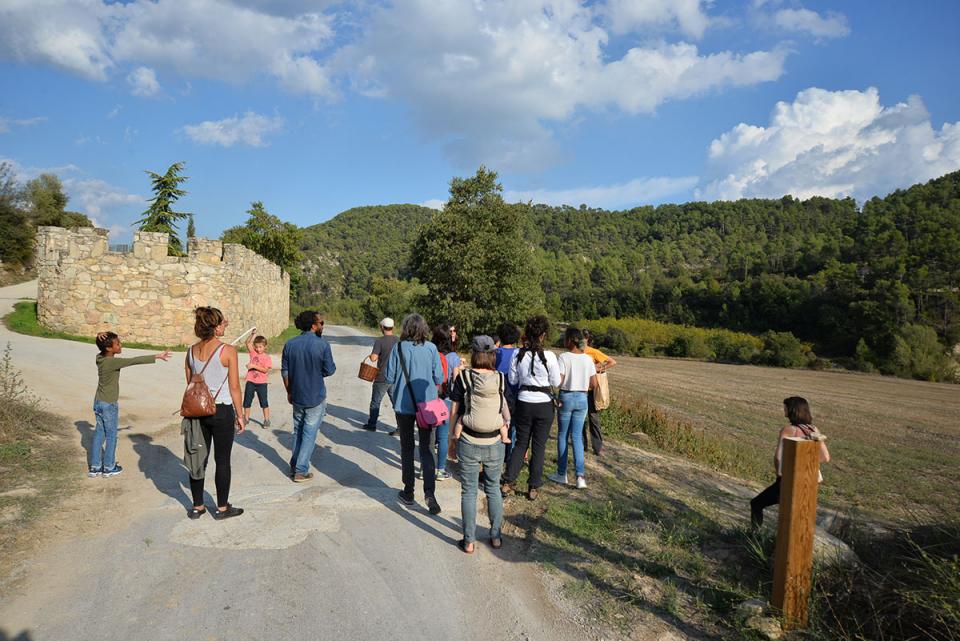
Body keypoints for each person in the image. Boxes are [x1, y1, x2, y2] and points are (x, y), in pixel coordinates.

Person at [446, 335, 511, 553]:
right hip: (494, 440)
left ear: (474, 354)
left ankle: (469, 541)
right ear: (492, 354)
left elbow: (454, 411)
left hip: (469, 440)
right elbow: (503, 408)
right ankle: (495, 537)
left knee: (469, 492)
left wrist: (451, 440)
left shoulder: (463, 378)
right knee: (493, 489)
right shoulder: (501, 378)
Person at [184, 307, 245, 520]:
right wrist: (240, 415)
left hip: (197, 411)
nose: (225, 325)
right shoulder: (228, 351)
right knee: (222, 460)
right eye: (222, 322)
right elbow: (235, 387)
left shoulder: (191, 351)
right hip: (221, 409)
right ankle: (221, 508)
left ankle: (197, 506)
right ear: (215, 326)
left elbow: (191, 384)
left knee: (198, 459)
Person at [383, 313, 444, 514]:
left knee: (407, 448)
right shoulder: (432, 348)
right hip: (427, 407)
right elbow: (439, 377)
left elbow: (389, 376)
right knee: (427, 449)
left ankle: (408, 491)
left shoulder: (398, 348)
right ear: (424, 329)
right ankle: (430, 495)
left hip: (404, 405)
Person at [91, 332, 170, 478]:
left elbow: (101, 349)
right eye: (118, 343)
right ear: (109, 348)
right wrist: (157, 356)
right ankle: (109, 467)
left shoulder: (99, 358)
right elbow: (134, 360)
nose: (121, 345)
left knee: (99, 433)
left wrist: (99, 335)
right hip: (109, 404)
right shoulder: (113, 362)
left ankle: (95, 467)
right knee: (111, 435)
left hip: (98, 402)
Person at [501, 315, 561, 501]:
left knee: (520, 444)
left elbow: (512, 380)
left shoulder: (519, 355)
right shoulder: (550, 356)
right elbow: (556, 382)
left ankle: (508, 481)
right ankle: (533, 486)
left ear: (527, 333)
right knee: (539, 446)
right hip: (543, 403)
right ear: (543, 335)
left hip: (524, 402)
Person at [750, 396, 831, 529]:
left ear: (792, 410)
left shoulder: (788, 430)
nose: (783, 410)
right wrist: (805, 462)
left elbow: (778, 457)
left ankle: (755, 536)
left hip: (789, 479)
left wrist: (779, 474)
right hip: (809, 481)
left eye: (785, 407)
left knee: (756, 504)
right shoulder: (813, 430)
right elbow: (826, 457)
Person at [281, 310, 336, 483]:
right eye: (321, 323)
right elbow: (330, 370)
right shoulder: (322, 345)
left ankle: (295, 464)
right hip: (315, 395)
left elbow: (285, 371)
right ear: (313, 325)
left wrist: (289, 391)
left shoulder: (290, 344)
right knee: (309, 433)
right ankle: (301, 470)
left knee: (298, 430)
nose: (322, 325)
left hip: (296, 394)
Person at [548, 327, 598, 490]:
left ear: (569, 340)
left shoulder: (563, 357)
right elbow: (594, 384)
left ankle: (562, 474)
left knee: (563, 435)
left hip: (566, 397)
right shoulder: (588, 359)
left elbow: (559, 381)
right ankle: (580, 477)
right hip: (582, 398)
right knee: (577, 436)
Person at [581, 329, 617, 457]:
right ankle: (582, 446)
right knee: (580, 420)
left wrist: (599, 368)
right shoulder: (575, 352)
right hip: (579, 390)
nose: (582, 340)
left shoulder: (593, 352)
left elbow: (612, 361)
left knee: (593, 419)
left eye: (584, 338)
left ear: (587, 339)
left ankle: (598, 448)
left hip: (591, 391)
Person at [432, 324, 461, 481]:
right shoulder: (453, 357)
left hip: (430, 398)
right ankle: (440, 469)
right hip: (446, 399)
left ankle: (425, 469)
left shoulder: (430, 352)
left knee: (429, 436)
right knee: (443, 437)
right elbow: (456, 379)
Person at [363, 317, 398, 432]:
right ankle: (400, 428)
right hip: (395, 377)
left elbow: (373, 359)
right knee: (396, 403)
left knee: (376, 401)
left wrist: (371, 355)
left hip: (382, 376)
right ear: (393, 327)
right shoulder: (399, 341)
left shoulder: (380, 341)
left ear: (382, 327)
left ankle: (372, 424)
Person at [494, 321, 521, 460]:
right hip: (515, 393)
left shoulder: (495, 353)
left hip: (498, 392)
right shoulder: (519, 354)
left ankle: (497, 452)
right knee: (514, 425)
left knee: (498, 423)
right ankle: (510, 454)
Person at [242, 331, 272, 428]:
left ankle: (266, 420)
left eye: (260, 347)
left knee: (264, 402)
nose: (258, 349)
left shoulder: (267, 358)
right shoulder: (253, 353)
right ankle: (246, 418)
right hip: (251, 381)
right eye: (257, 347)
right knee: (247, 401)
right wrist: (253, 335)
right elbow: (247, 343)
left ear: (265, 347)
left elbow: (265, 370)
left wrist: (253, 366)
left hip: (261, 383)